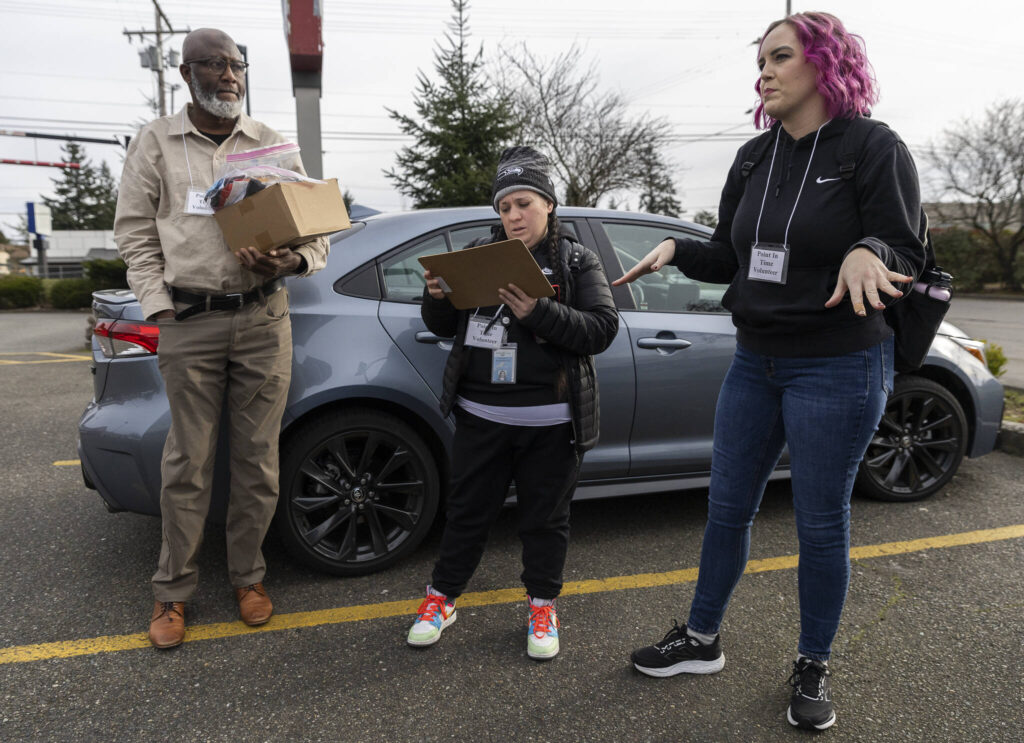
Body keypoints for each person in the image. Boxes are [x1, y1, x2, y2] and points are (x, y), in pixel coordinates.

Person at [616, 12, 925, 730]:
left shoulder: (872, 146)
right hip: (756, 361)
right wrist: (675, 248)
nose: (765, 71)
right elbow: (728, 253)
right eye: (760, 60)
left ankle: (813, 662)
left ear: (824, 62)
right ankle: (700, 638)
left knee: (820, 523)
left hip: (839, 366)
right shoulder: (754, 156)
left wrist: (868, 250)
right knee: (727, 506)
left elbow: (904, 245)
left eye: (780, 56)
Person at [114, 28, 329, 649]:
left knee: (257, 461)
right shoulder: (156, 143)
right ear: (187, 74)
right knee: (188, 462)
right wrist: (161, 310)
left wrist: (292, 264)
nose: (229, 75)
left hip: (263, 319)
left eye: (236, 65)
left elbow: (316, 229)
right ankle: (172, 592)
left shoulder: (271, 145)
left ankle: (248, 578)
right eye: (214, 65)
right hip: (190, 321)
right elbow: (135, 236)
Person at [407, 146, 618, 660]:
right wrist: (436, 296)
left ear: (548, 204)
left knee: (544, 520)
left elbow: (603, 329)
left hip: (552, 423)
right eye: (505, 207)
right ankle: (442, 598)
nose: (514, 216)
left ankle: (542, 604)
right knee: (467, 514)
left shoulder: (576, 260)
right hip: (481, 417)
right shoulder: (481, 254)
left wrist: (540, 312)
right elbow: (445, 327)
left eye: (523, 203)